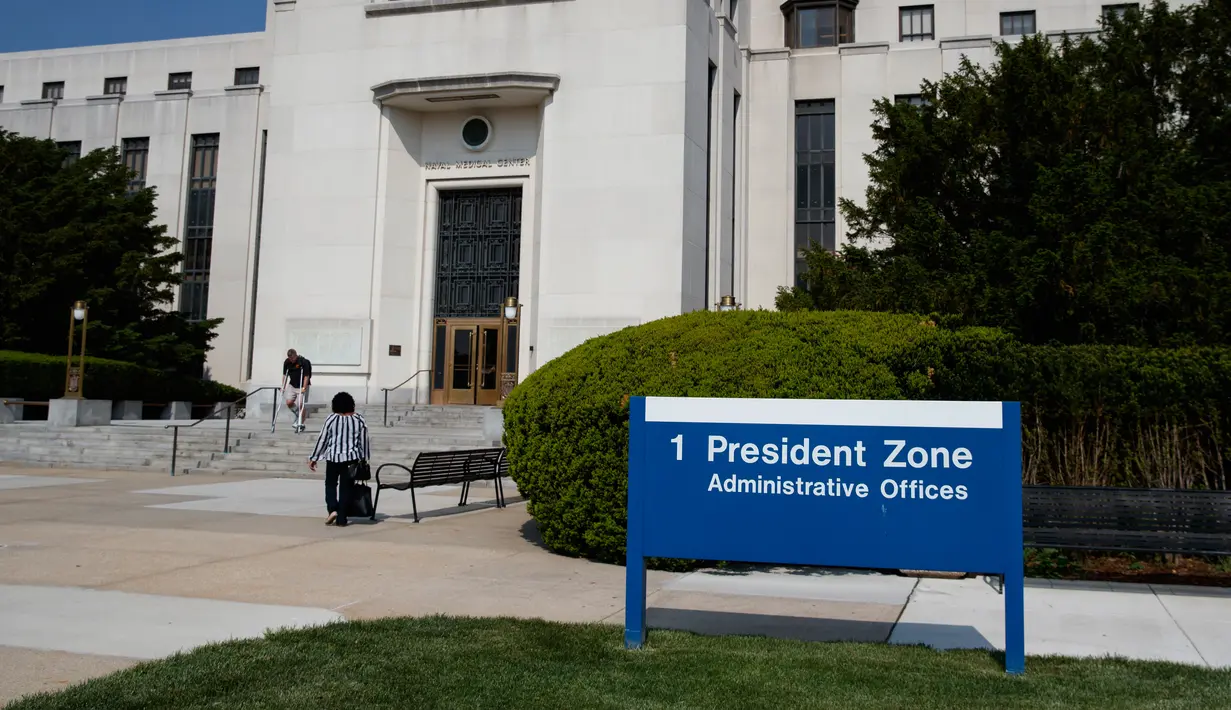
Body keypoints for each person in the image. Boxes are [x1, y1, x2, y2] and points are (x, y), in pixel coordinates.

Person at [308, 392, 371, 527]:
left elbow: (323, 439)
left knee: (330, 485)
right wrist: (365, 458)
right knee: (346, 489)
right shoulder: (359, 420)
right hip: (351, 459)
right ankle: (342, 518)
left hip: (333, 457)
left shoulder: (331, 419)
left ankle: (332, 509)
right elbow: (364, 441)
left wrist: (314, 457)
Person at [282, 349, 312, 430]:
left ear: (296, 355)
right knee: (289, 402)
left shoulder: (303, 362)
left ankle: (301, 422)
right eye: (290, 358)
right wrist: (283, 387)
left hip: (302, 386)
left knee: (300, 404)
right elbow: (285, 375)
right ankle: (298, 413)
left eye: (293, 358)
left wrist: (304, 388)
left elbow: (306, 376)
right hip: (292, 385)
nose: (292, 360)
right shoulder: (287, 362)